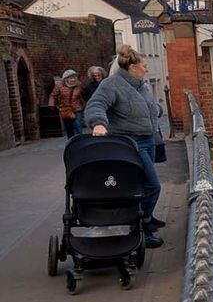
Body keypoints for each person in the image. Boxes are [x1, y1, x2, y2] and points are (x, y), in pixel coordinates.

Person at [85, 45, 165, 248]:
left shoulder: (141, 85)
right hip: (131, 143)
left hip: (148, 140)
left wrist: (157, 110)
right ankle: (143, 227)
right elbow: (96, 105)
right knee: (152, 184)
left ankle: (148, 216)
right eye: (144, 66)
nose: (147, 69)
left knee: (144, 183)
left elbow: (147, 107)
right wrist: (99, 123)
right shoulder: (112, 85)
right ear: (133, 68)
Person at [49, 70, 84, 138]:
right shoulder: (59, 86)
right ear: (66, 79)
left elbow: (84, 94)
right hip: (65, 109)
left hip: (77, 108)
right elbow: (53, 95)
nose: (73, 79)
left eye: (75, 77)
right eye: (71, 78)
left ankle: (79, 141)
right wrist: (52, 104)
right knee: (69, 128)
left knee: (78, 125)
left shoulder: (79, 85)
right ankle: (71, 142)